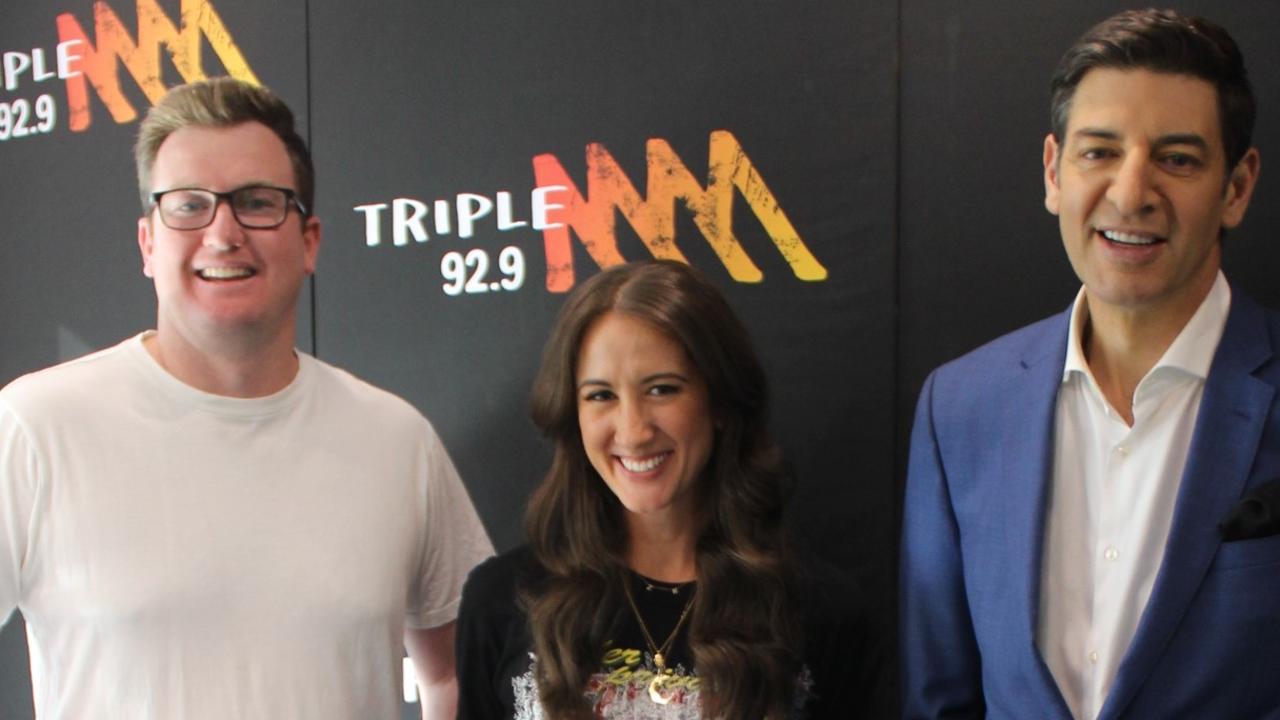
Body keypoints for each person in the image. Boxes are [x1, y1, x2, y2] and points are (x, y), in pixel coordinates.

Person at [0, 77, 493, 719]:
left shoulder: (397, 440)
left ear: (309, 240)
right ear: (149, 242)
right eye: (188, 205)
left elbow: (456, 675)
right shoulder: (36, 426)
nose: (223, 232)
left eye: (257, 202)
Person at [901, 8, 1277, 719]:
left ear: (1237, 187)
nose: (1131, 193)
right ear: (1053, 171)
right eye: (1099, 152)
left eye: (1178, 158)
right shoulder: (959, 409)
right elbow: (939, 697)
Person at [456, 260, 886, 718]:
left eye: (662, 390)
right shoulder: (501, 599)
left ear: (719, 402)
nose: (634, 430)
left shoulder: (821, 611)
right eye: (601, 395)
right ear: (571, 412)